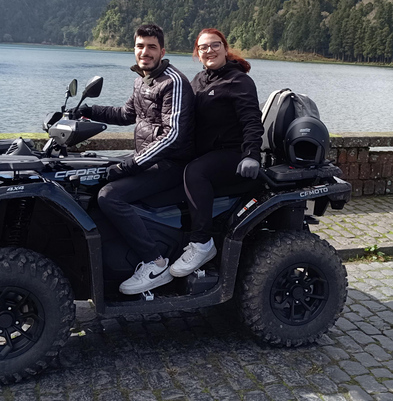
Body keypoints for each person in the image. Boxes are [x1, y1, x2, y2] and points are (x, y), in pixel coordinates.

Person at [77, 24, 195, 294]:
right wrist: (88, 110)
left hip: (172, 164)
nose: (145, 51)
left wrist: (129, 165)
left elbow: (172, 136)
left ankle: (155, 262)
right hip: (149, 158)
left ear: (162, 51)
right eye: (140, 46)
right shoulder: (142, 79)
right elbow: (127, 114)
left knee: (110, 196)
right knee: (90, 177)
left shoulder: (172, 82)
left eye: (152, 47)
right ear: (134, 49)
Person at [170, 28, 263, 277]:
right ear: (197, 54)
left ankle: (202, 243)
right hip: (205, 152)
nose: (209, 50)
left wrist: (252, 154)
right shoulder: (200, 80)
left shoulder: (238, 80)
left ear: (224, 48)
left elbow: (252, 120)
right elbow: (180, 112)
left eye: (214, 45)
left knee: (195, 172)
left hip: (233, 154)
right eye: (203, 47)